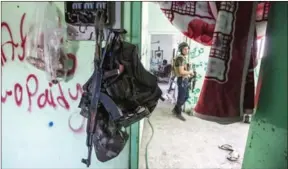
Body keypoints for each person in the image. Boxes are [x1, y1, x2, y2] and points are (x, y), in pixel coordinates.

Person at [172, 42, 194, 121]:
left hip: (185, 79)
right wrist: (190, 72)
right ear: (181, 49)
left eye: (187, 49)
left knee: (186, 96)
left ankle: (175, 109)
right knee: (181, 97)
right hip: (182, 80)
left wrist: (189, 74)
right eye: (185, 49)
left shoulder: (183, 58)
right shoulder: (180, 58)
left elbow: (184, 70)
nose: (187, 50)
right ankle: (178, 113)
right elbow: (181, 72)